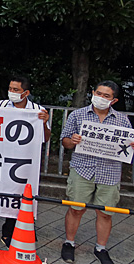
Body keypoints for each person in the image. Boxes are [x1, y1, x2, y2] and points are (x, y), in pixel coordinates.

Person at [0, 76, 50, 248]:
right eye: (10, 89)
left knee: (16, 194)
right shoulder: (2, 105)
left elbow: (45, 138)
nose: (11, 92)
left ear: (26, 93)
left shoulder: (37, 110)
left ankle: (8, 232)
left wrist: (43, 123)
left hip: (21, 160)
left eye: (16, 90)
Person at [60, 81, 134, 264]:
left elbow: (127, 145)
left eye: (106, 96)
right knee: (76, 209)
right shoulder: (77, 115)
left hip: (110, 171)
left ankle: (101, 247)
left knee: (106, 213)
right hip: (82, 169)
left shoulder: (122, 120)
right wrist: (72, 140)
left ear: (114, 100)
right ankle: (69, 243)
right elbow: (65, 141)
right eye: (98, 93)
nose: (100, 98)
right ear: (93, 93)